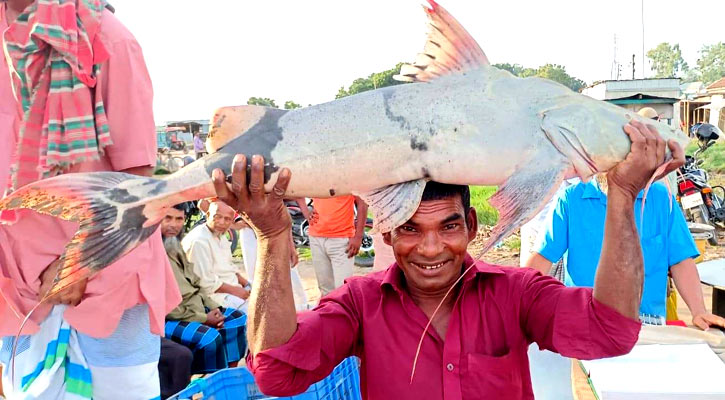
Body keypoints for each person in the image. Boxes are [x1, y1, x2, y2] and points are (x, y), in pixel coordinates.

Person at [210, 122, 683, 399]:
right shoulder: (360, 303)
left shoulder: (516, 293)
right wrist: (273, 236)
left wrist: (623, 192)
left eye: (448, 227)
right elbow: (274, 373)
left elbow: (609, 332)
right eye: (411, 229)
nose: (431, 249)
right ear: (387, 232)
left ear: (472, 226)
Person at [0, 1, 180, 398]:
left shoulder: (110, 39)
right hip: (16, 283)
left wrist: (76, 267)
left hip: (105, 269)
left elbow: (136, 180)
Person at [524, 174, 725, 330]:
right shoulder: (571, 200)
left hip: (646, 325)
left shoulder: (661, 199)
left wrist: (699, 311)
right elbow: (541, 259)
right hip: (583, 323)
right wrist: (517, 305)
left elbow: (681, 262)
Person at [160, 205, 248, 373]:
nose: (174, 225)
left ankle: (227, 374)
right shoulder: (154, 251)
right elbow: (167, 306)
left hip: (196, 307)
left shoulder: (174, 245)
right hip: (170, 318)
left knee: (237, 319)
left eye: (179, 219)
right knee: (210, 338)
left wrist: (213, 307)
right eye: (168, 219)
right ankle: (211, 381)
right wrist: (203, 318)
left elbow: (196, 283)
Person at [182, 200, 251, 312]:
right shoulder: (199, 241)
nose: (222, 222)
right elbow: (205, 283)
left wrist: (247, 284)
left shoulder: (220, 235)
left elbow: (229, 268)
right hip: (213, 297)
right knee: (257, 316)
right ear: (208, 215)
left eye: (227, 219)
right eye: (217, 217)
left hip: (231, 289)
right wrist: (236, 291)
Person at [300, 195, 368, 296]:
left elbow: (362, 202)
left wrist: (358, 236)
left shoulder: (349, 179)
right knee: (325, 290)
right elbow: (297, 190)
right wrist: (306, 211)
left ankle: (343, 311)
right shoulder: (315, 179)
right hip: (316, 237)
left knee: (343, 291)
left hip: (342, 239)